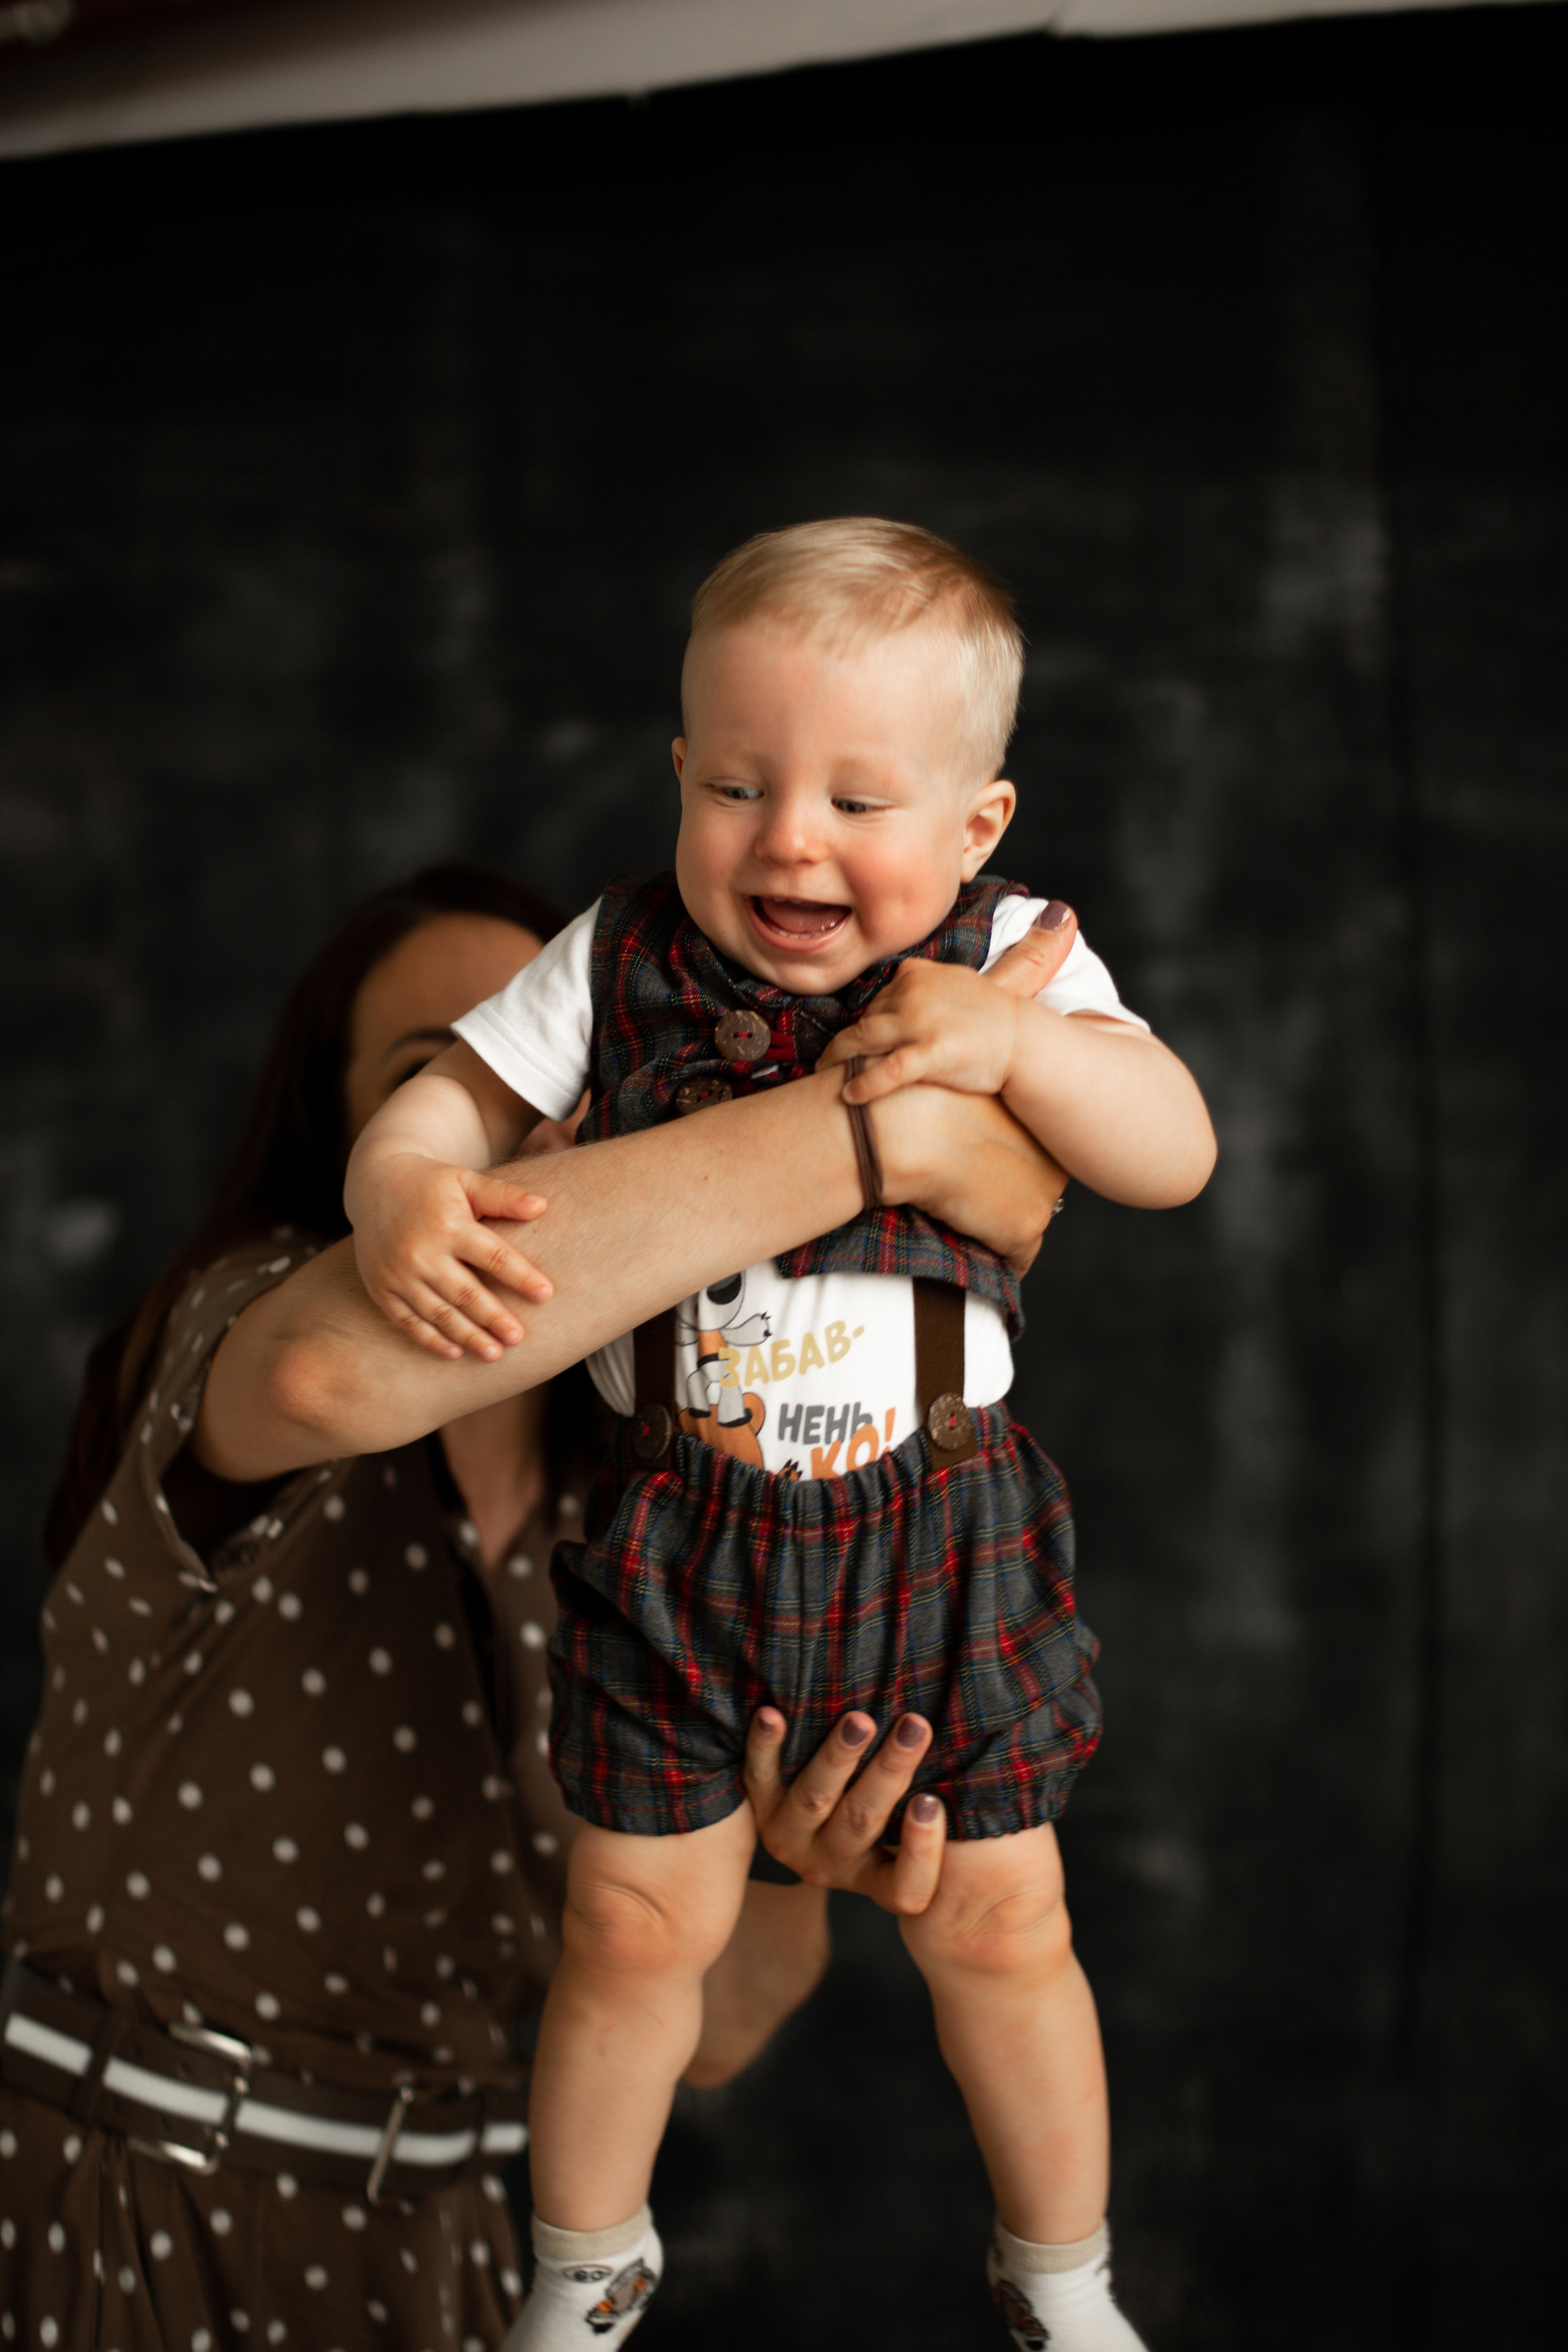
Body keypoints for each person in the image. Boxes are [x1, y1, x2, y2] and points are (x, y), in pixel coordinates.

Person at [344, 521, 1218, 2352]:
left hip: (934, 1536)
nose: (787, 837)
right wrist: (411, 1195)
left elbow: (1170, 1149)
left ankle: (1062, 2280)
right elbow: (452, 1099)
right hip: (676, 1538)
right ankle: (588, 2263)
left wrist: (1018, 1050)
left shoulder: (1017, 964)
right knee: (631, 1934)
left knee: (999, 1924)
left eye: (856, 798)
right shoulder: (613, 958)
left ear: (978, 826)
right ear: (677, 773)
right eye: (734, 783)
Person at [0, 861, 1067, 2348]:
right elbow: (332, 1372)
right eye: (443, 1079)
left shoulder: (656, 1483)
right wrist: (900, 1134)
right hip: (115, 2199)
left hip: (444, 2246)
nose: (526, 1120)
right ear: (348, 1131)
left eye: (549, 1064)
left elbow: (726, 2033)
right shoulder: (252, 1318)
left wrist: (786, 1856)